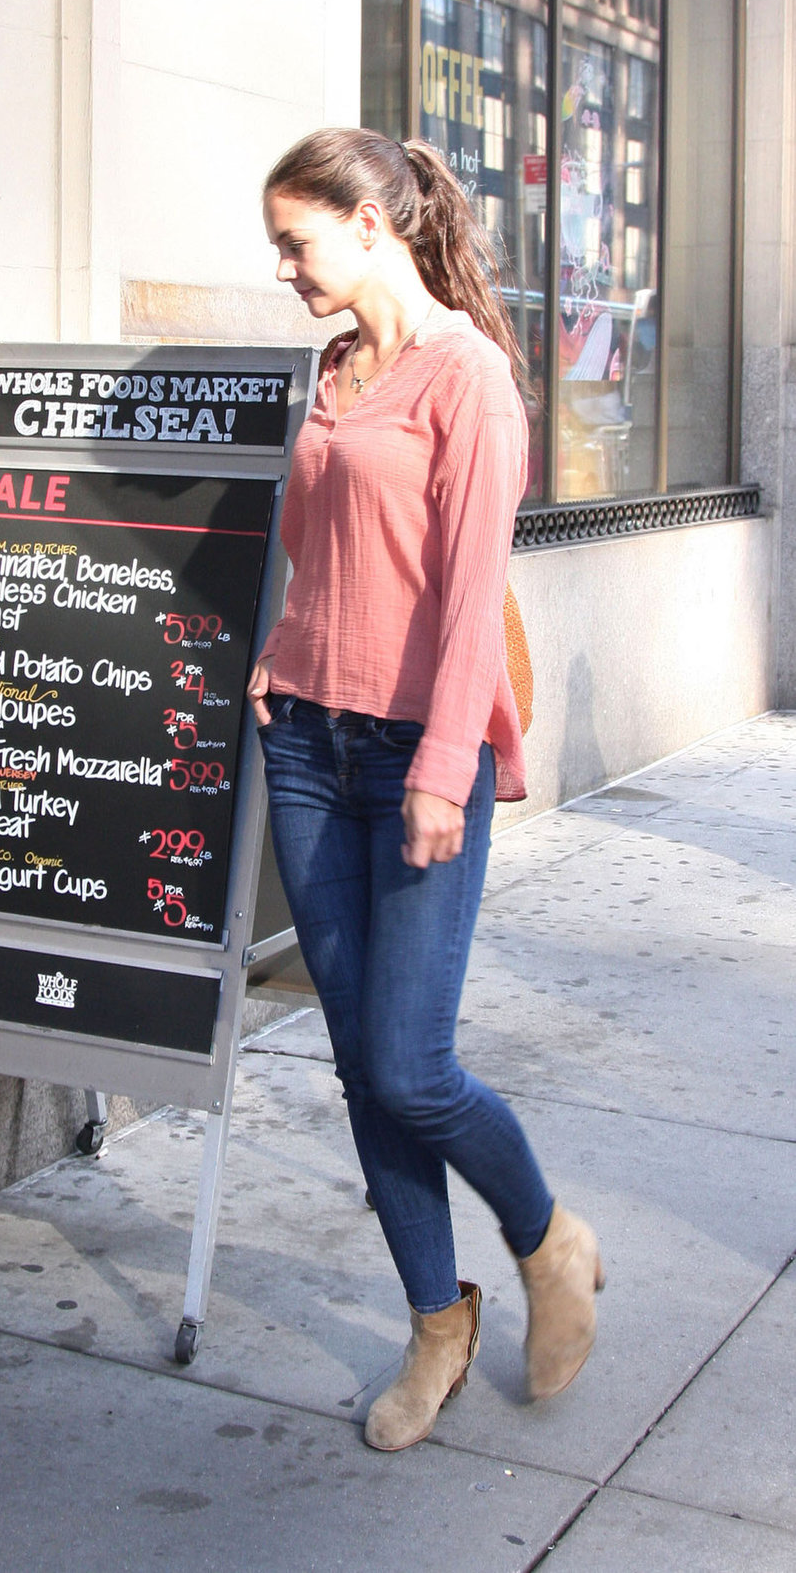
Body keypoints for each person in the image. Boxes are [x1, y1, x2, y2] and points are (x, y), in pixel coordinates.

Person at [248, 128, 604, 1453]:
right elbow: (317, 550)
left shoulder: (469, 381)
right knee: (358, 1063)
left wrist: (447, 767)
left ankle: (545, 1240)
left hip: (414, 756)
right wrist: (280, 663)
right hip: (305, 744)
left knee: (410, 1062)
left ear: (371, 225)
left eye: (296, 239)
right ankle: (433, 1324)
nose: (283, 265)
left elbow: (463, 603)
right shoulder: (333, 371)